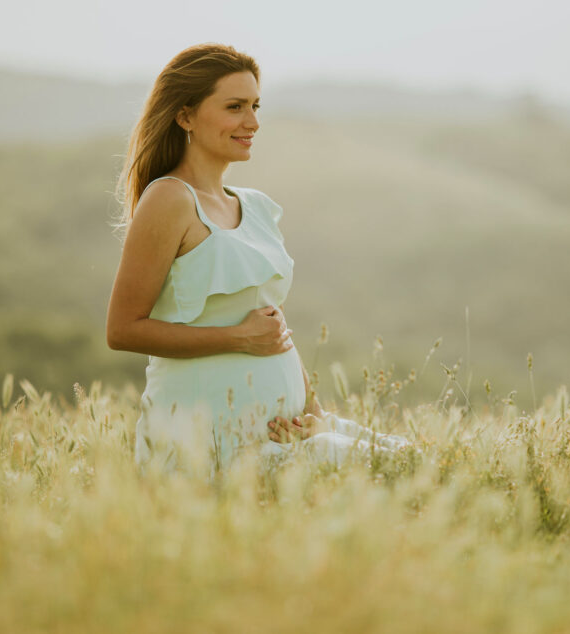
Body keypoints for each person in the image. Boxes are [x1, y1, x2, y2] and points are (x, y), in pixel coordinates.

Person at [105, 43, 413, 478]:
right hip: (209, 445)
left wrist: (313, 411)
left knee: (411, 456)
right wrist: (237, 339)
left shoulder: (255, 207)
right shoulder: (170, 199)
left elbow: (272, 323)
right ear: (185, 115)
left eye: (255, 106)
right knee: (390, 466)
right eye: (235, 107)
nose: (252, 122)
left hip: (279, 432)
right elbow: (122, 329)